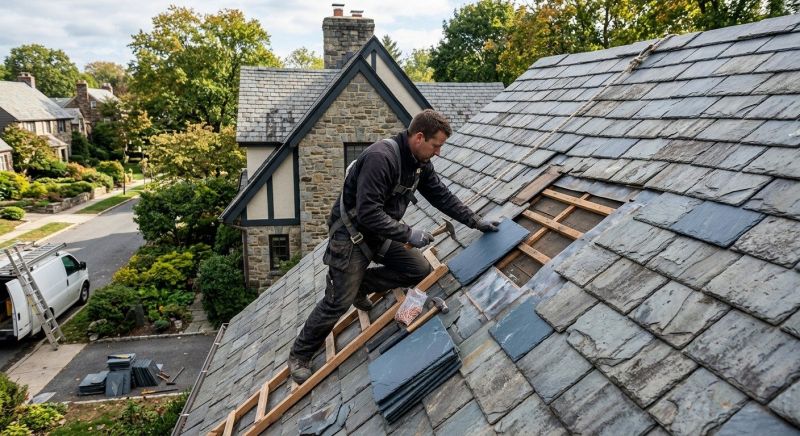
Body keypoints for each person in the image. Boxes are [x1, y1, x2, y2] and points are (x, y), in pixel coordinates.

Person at [288, 109, 499, 383]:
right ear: (419, 137)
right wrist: (409, 234)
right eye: (436, 145)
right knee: (338, 301)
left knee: (418, 269)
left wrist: (474, 221)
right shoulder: (381, 158)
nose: (438, 152)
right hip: (351, 237)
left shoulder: (419, 162)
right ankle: (300, 354)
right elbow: (368, 213)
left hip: (379, 235)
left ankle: (361, 285)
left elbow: (441, 195)